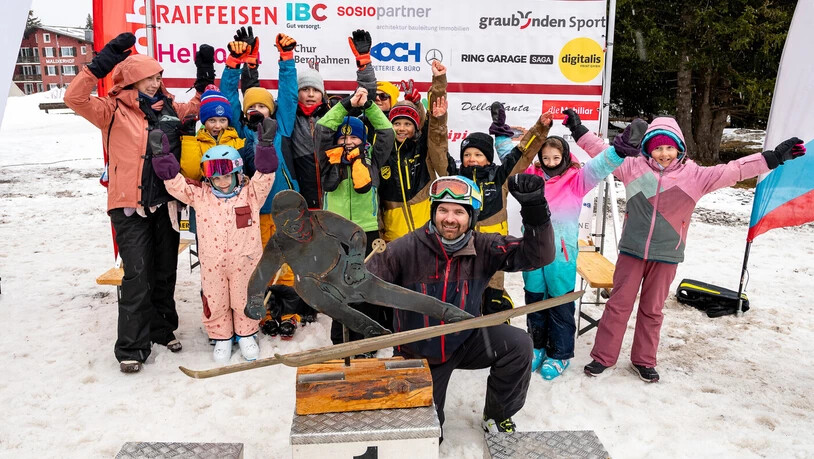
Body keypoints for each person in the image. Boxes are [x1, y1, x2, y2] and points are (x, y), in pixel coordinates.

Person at [567, 111, 807, 382]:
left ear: (679, 147)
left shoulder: (695, 176)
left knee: (652, 309)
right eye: (657, 147)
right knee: (618, 306)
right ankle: (603, 357)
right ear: (648, 147)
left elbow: (735, 170)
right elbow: (603, 151)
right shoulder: (632, 167)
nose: (664, 153)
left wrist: (772, 158)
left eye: (669, 147)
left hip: (667, 255)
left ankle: (644, 360)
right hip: (632, 251)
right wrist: (578, 130)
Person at [65, 32, 211, 373]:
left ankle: (162, 330)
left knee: (164, 272)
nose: (156, 83)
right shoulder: (111, 110)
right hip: (128, 206)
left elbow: (203, 103)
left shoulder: (172, 108)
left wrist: (205, 76)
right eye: (150, 77)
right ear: (132, 78)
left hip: (166, 204)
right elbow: (74, 97)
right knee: (137, 274)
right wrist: (101, 64)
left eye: (159, 77)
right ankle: (131, 346)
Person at [366, 174, 556, 435]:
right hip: (420, 352)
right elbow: (363, 283)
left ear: (471, 217)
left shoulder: (484, 246)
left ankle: (497, 415)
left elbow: (538, 255)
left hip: (467, 339)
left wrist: (535, 210)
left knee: (518, 344)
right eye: (442, 209)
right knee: (429, 437)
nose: (449, 218)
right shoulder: (405, 248)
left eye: (459, 211)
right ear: (433, 212)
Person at [151, 118, 279, 363]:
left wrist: (264, 145)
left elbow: (265, 175)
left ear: (237, 173)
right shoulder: (201, 195)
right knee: (215, 299)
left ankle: (246, 334)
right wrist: (162, 158)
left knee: (245, 297)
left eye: (227, 176)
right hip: (213, 263)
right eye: (216, 177)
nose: (222, 182)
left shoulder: (251, 194)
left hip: (245, 261)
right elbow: (177, 185)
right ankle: (221, 337)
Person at [521, 114, 637, 381]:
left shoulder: (575, 180)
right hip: (532, 251)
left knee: (560, 303)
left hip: (561, 254)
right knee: (534, 301)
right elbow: (511, 160)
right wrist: (502, 134)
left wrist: (619, 150)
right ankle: (536, 346)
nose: (550, 163)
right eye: (545, 158)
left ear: (564, 157)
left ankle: (559, 354)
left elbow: (599, 166)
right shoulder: (530, 175)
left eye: (555, 158)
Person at [455, 108, 552, 315]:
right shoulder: (455, 179)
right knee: (464, 297)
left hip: (492, 248)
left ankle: (497, 330)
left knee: (493, 297)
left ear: (488, 159)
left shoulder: (499, 177)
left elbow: (523, 153)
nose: (472, 159)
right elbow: (436, 149)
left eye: (478, 154)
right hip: (462, 248)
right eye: (467, 154)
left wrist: (540, 128)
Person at [318, 86, 394, 345]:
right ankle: (341, 340)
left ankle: (369, 339)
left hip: (366, 230)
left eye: (354, 138)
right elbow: (322, 129)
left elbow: (387, 131)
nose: (348, 142)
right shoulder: (328, 160)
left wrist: (369, 106)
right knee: (338, 286)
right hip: (334, 231)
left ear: (365, 141)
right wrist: (347, 105)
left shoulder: (373, 159)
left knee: (365, 285)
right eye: (342, 138)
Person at [378, 60, 453, 242]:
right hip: (394, 234)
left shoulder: (421, 147)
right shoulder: (382, 151)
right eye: (396, 123)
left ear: (415, 127)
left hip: (426, 231)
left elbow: (435, 121)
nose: (402, 128)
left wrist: (439, 80)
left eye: (407, 124)